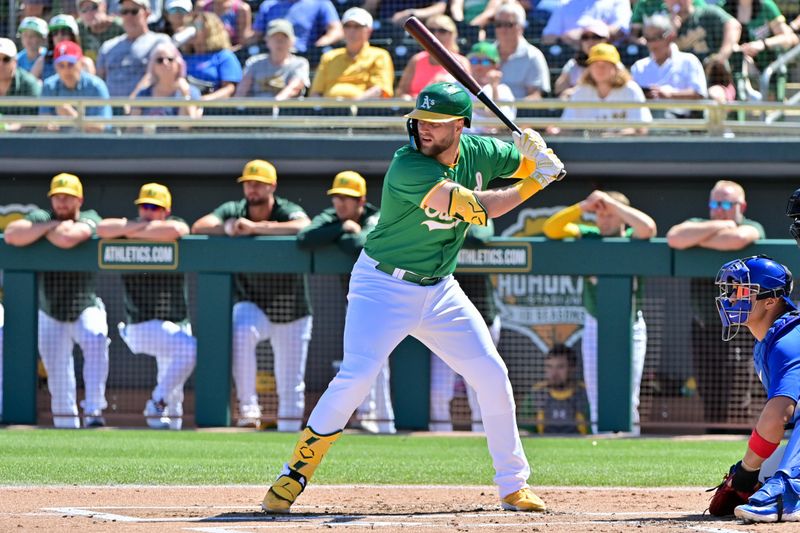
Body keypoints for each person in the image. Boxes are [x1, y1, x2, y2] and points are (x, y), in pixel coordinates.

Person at [260, 81, 564, 514]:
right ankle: (293, 474)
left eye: (437, 124)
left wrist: (537, 154)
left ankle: (514, 485)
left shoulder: (481, 151)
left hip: (439, 288)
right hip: (382, 286)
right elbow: (479, 208)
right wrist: (538, 180)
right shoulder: (408, 166)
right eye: (420, 121)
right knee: (356, 377)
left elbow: (522, 164)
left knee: (493, 375)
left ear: (460, 126)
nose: (425, 130)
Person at [191, 160, 312, 431]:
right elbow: (199, 226)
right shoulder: (235, 209)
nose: (252, 189)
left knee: (290, 379)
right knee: (241, 330)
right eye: (248, 183)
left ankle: (290, 426)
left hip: (291, 307)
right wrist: (227, 228)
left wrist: (258, 229)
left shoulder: (285, 208)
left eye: (258, 183)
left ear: (272, 186)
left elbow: (305, 225)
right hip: (253, 302)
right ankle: (248, 410)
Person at [543, 189, 656, 434]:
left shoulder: (633, 238)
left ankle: (630, 447)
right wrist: (584, 206)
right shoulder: (590, 236)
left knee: (630, 396)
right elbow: (551, 229)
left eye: (610, 215)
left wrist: (616, 205)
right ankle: (600, 447)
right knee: (596, 393)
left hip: (631, 324)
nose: (603, 220)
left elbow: (648, 228)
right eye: (600, 215)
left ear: (622, 216)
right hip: (595, 322)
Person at [4, 173, 109, 429]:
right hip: (50, 309)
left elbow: (68, 238)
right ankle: (66, 425)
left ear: (79, 199)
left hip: (85, 304)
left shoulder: (91, 216)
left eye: (67, 197)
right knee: (58, 372)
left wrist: (44, 234)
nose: (61, 203)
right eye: (57, 197)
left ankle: (94, 410)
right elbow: (11, 234)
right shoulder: (43, 217)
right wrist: (50, 227)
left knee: (96, 339)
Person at [295, 171, 396, 434]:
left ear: (361, 200)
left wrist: (347, 233)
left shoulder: (375, 215)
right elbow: (305, 238)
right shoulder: (334, 218)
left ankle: (380, 420)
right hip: (361, 299)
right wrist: (340, 227)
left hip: (391, 296)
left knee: (375, 358)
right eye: (337, 197)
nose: (340, 203)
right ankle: (377, 420)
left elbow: (359, 243)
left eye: (347, 198)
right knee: (368, 357)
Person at [704, 255, 800, 522]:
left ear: (771, 300)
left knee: (758, 468)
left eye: (742, 290)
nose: (732, 297)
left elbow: (778, 414)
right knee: (765, 468)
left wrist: (746, 471)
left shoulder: (789, 341)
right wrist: (751, 472)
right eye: (731, 289)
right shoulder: (770, 340)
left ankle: (789, 494)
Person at [667, 180, 765, 429]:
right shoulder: (700, 223)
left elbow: (737, 239)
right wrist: (721, 225)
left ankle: (741, 453)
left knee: (736, 396)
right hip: (703, 328)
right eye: (714, 203)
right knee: (709, 396)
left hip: (740, 329)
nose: (719, 209)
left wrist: (699, 241)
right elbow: (675, 237)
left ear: (741, 205)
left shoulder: (752, 225)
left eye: (725, 204)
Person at [97, 183, 195, 430]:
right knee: (190, 350)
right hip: (140, 325)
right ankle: (156, 402)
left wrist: (133, 231)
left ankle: (169, 427)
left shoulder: (168, 223)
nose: (148, 211)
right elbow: (102, 228)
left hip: (176, 323)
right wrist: (136, 228)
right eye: (144, 206)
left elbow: (179, 229)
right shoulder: (128, 227)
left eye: (155, 207)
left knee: (175, 386)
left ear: (166, 210)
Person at [429, 221, 499, 433]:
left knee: (480, 389)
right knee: (439, 392)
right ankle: (438, 441)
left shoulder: (477, 212)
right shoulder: (436, 214)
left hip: (482, 317)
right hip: (443, 322)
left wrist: (450, 232)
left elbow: (480, 236)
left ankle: (484, 439)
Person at [550, 43, 652, 136]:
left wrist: (614, 136)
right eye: (595, 64)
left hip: (626, 150)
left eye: (605, 64)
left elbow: (641, 129)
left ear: (616, 68)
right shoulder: (581, 91)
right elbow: (567, 127)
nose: (600, 68)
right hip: (590, 151)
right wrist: (555, 131)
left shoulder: (631, 89)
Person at [630, 14, 708, 118]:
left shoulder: (689, 61)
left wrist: (670, 95)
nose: (652, 44)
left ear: (670, 36)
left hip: (683, 124)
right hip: (646, 123)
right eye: (648, 39)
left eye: (656, 38)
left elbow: (699, 94)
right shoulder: (638, 67)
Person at [308, 7, 394, 100]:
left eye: (357, 26)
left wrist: (353, 105)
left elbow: (380, 90)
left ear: (369, 31)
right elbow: (315, 93)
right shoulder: (329, 57)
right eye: (347, 26)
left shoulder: (379, 56)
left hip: (363, 111)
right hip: (328, 111)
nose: (352, 30)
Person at [96, 0, 171, 99]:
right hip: (110, 109)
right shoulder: (108, 46)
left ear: (147, 13)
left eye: (134, 11)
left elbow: (155, 76)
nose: (128, 16)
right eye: (124, 12)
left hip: (146, 109)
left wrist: (134, 101)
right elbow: (99, 81)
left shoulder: (160, 41)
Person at [39, 40, 112, 133]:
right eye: (61, 66)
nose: (66, 70)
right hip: (59, 144)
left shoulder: (96, 86)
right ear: (55, 67)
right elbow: (43, 122)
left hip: (92, 144)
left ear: (81, 63)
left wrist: (73, 116)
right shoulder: (49, 86)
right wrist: (48, 125)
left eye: (71, 64)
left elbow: (103, 128)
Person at [519, 344, 590, 434]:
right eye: (549, 366)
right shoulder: (536, 393)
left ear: (573, 368)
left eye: (560, 367)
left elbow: (595, 432)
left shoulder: (586, 394)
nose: (554, 373)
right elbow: (524, 431)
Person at [395, 14, 467, 100]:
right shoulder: (416, 60)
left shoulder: (461, 62)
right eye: (431, 30)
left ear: (452, 34)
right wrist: (406, 98)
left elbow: (466, 96)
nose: (436, 35)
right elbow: (401, 91)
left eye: (442, 31)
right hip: (416, 109)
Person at [235, 19, 309, 100]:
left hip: (286, 110)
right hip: (256, 109)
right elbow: (241, 91)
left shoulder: (300, 63)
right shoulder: (254, 62)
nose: (279, 41)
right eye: (275, 37)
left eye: (284, 37)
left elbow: (294, 88)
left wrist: (274, 103)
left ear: (292, 41)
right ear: (267, 40)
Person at [493, 2, 551, 100]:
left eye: (508, 25)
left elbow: (536, 96)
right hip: (483, 113)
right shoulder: (485, 54)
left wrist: (509, 108)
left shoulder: (533, 56)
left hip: (519, 113)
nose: (503, 29)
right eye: (499, 24)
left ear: (521, 27)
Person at [131, 41, 202, 120]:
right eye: (160, 60)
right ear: (152, 66)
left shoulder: (191, 92)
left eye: (170, 59)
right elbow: (132, 128)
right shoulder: (143, 94)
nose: (165, 63)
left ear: (178, 64)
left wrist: (185, 95)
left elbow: (186, 127)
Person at [182, 12, 243, 100]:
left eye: (198, 25)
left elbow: (229, 89)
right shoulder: (181, 58)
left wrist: (203, 100)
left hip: (213, 108)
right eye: (190, 25)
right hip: (183, 106)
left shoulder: (224, 56)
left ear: (211, 31)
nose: (193, 29)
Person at [250, 0, 343, 54]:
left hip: (306, 56)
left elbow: (336, 30)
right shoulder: (268, 5)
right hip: (273, 56)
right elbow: (256, 35)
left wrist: (318, 46)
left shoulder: (320, 3)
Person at [664, 0, 741, 65]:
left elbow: (733, 25)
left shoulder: (706, 13)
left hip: (712, 74)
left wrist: (722, 55)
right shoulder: (662, 26)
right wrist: (672, 31)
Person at [464, 41, 515, 134]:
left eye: (485, 61)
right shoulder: (459, 86)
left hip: (489, 141)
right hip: (463, 139)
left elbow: (501, 122)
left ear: (496, 64)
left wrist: (494, 87)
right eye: (474, 61)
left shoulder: (503, 89)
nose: (479, 66)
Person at [554, 19, 610, 97]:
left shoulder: (615, 64)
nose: (590, 41)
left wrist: (578, 90)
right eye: (585, 37)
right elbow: (559, 88)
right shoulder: (573, 64)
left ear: (606, 40)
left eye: (595, 37)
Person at [31, 14, 96, 81]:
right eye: (55, 33)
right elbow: (30, 87)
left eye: (64, 32)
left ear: (73, 36)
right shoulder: (43, 61)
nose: (59, 36)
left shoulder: (85, 63)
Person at [541, 0, 631, 46]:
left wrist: (587, 33)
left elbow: (622, 29)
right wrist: (565, 37)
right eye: (586, 38)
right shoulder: (565, 3)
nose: (589, 40)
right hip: (573, 58)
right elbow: (547, 37)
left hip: (608, 58)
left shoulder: (619, 1)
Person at [0, 38, 42, 124]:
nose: (0, 64)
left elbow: (34, 122)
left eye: (6, 59)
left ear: (15, 62)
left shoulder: (29, 84)